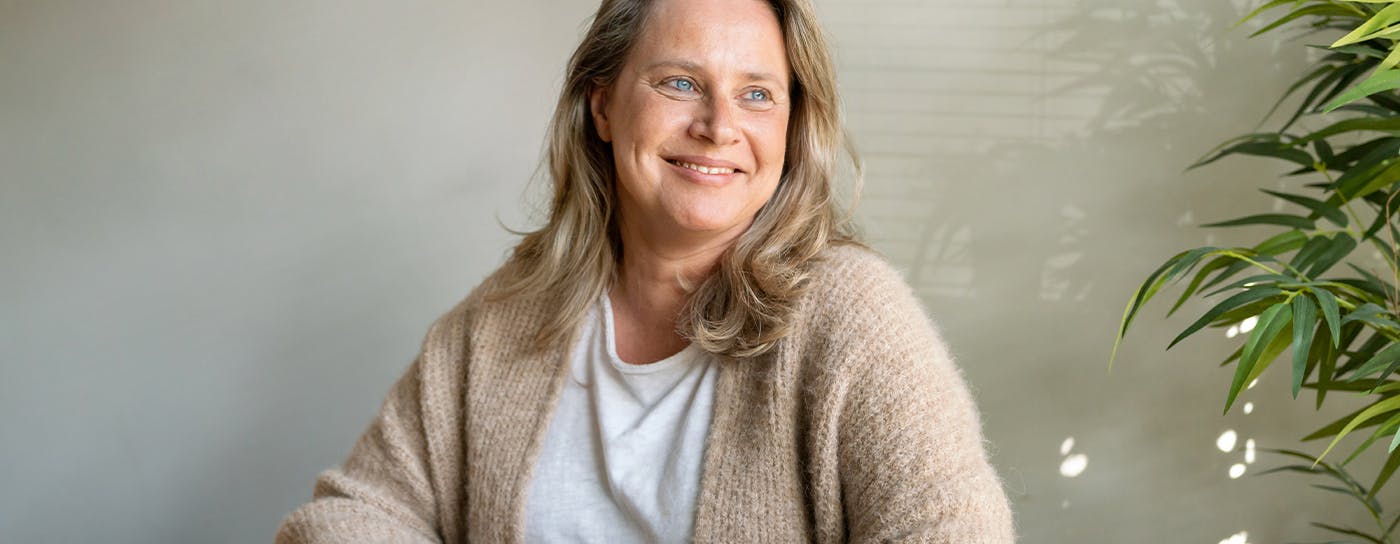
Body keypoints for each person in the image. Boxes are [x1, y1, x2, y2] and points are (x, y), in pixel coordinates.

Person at [274, 0, 1016, 541]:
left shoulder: (852, 315)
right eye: (680, 83)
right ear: (602, 105)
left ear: (790, 128)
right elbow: (354, 512)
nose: (719, 126)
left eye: (757, 93)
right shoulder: (504, 318)